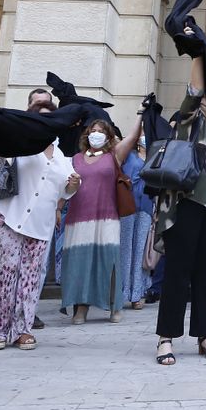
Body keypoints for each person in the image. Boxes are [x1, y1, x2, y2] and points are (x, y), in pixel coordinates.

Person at [153, 44, 206, 365]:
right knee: (177, 272)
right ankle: (166, 338)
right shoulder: (190, 123)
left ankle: (204, 335)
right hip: (185, 205)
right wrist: (198, 50)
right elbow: (195, 89)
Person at [0, 95, 78, 352]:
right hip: (7, 217)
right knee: (4, 276)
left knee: (30, 279)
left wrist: (73, 186)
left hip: (40, 224)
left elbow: (64, 190)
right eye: (41, 119)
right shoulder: (18, 142)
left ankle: (23, 329)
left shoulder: (61, 156)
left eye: (50, 119)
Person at [62, 109, 142, 325]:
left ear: (108, 137)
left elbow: (133, 137)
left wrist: (140, 113)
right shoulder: (74, 159)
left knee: (109, 261)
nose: (95, 134)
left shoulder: (114, 156)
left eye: (101, 131)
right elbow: (66, 189)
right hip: (78, 218)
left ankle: (114, 306)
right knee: (80, 262)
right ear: (86, 134)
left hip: (107, 217)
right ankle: (81, 308)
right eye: (92, 131)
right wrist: (60, 205)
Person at [118, 129, 155, 310]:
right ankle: (121, 292)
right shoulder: (129, 156)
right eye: (142, 134)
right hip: (127, 207)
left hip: (146, 207)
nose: (144, 137)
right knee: (125, 249)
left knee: (141, 250)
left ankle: (137, 294)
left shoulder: (155, 158)